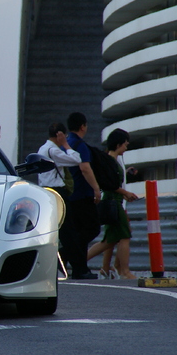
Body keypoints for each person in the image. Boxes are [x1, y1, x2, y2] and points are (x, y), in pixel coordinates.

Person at [87, 129, 139, 279]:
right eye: (125, 144)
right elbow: (110, 184)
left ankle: (101, 267)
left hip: (115, 201)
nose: (126, 147)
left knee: (110, 240)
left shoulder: (114, 160)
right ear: (118, 144)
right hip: (114, 202)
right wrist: (126, 193)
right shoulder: (110, 160)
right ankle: (124, 271)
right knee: (124, 236)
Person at [37, 123, 81, 276]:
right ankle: (78, 269)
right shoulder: (53, 150)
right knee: (68, 232)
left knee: (62, 231)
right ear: (59, 135)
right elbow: (76, 159)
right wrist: (66, 144)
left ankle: (64, 264)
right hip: (57, 192)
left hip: (46, 191)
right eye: (64, 135)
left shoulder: (42, 149)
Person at [65, 112, 101, 279]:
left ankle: (80, 269)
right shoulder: (79, 145)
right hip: (82, 193)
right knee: (92, 228)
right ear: (82, 126)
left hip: (70, 194)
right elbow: (85, 168)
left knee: (79, 230)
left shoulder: (65, 143)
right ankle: (66, 253)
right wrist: (96, 189)